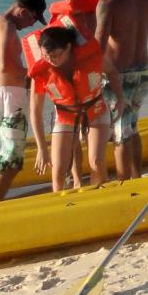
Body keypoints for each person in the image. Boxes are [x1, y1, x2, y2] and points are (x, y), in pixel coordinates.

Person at [0, 0, 47, 202]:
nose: (31, 24)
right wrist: (34, 72)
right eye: (32, 18)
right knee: (11, 161)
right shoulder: (8, 28)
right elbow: (4, 66)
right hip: (10, 98)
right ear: (22, 10)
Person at [27, 26, 110, 191]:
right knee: (58, 170)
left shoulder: (88, 58)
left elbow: (112, 72)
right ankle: (61, 207)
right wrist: (42, 149)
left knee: (96, 161)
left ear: (69, 48)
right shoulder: (42, 71)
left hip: (95, 110)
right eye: (47, 56)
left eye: (57, 55)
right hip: (65, 115)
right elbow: (35, 113)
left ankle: (99, 199)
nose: (52, 60)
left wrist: (120, 100)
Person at [95, 0, 148, 180]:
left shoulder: (108, 4)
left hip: (118, 75)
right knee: (132, 128)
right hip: (142, 71)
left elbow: (97, 48)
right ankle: (136, 177)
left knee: (120, 133)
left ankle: (124, 182)